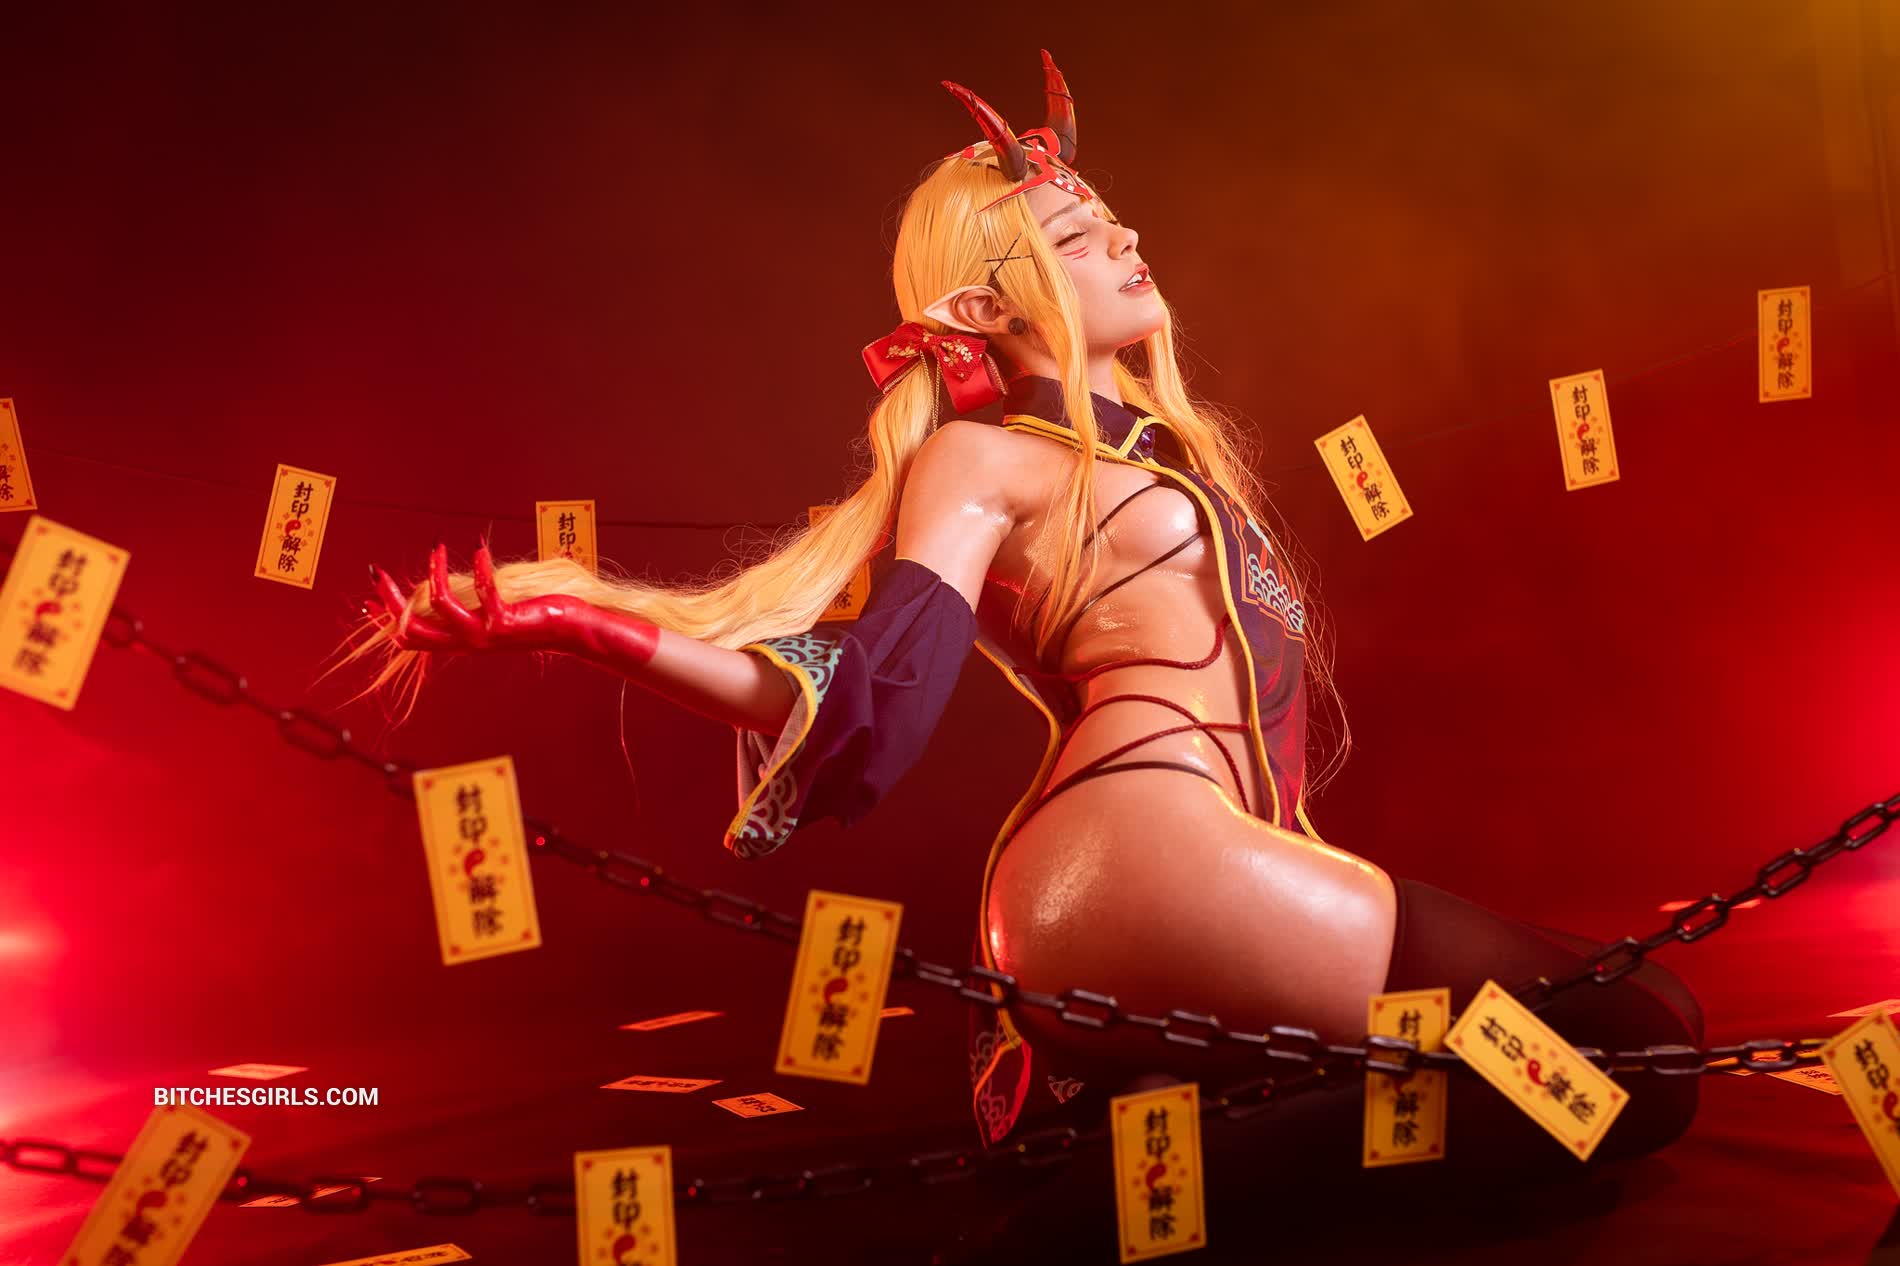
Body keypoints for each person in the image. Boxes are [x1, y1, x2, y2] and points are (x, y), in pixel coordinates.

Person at [338, 51, 1704, 1173]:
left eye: (1114, 219)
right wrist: (586, 622)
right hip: (1134, 859)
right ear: (986, 303)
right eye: (1076, 236)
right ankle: (1104, 1190)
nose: (1125, 239)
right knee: (1634, 1061)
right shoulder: (977, 461)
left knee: (1647, 1019)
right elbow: (858, 691)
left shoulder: (1161, 450)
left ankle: (1142, 1153)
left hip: (1190, 864)